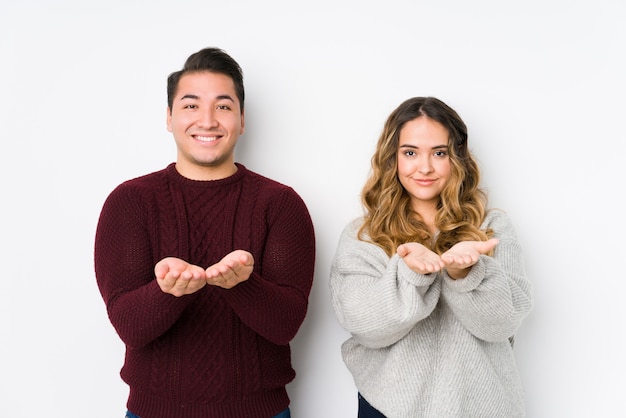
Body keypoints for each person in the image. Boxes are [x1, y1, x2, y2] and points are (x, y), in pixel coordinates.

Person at [94, 47, 316, 418]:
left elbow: (285, 325)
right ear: (169, 117)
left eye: (224, 106)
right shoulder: (130, 202)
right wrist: (168, 291)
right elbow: (130, 326)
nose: (208, 120)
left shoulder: (281, 204)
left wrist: (241, 283)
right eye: (191, 105)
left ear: (242, 119)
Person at [329, 97, 533, 417]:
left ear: (458, 158)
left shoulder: (491, 227)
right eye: (410, 153)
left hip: (481, 407)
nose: (424, 167)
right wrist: (411, 274)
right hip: (388, 407)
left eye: (439, 153)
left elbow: (503, 324)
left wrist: (465, 274)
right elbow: (363, 325)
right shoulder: (363, 235)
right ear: (392, 158)